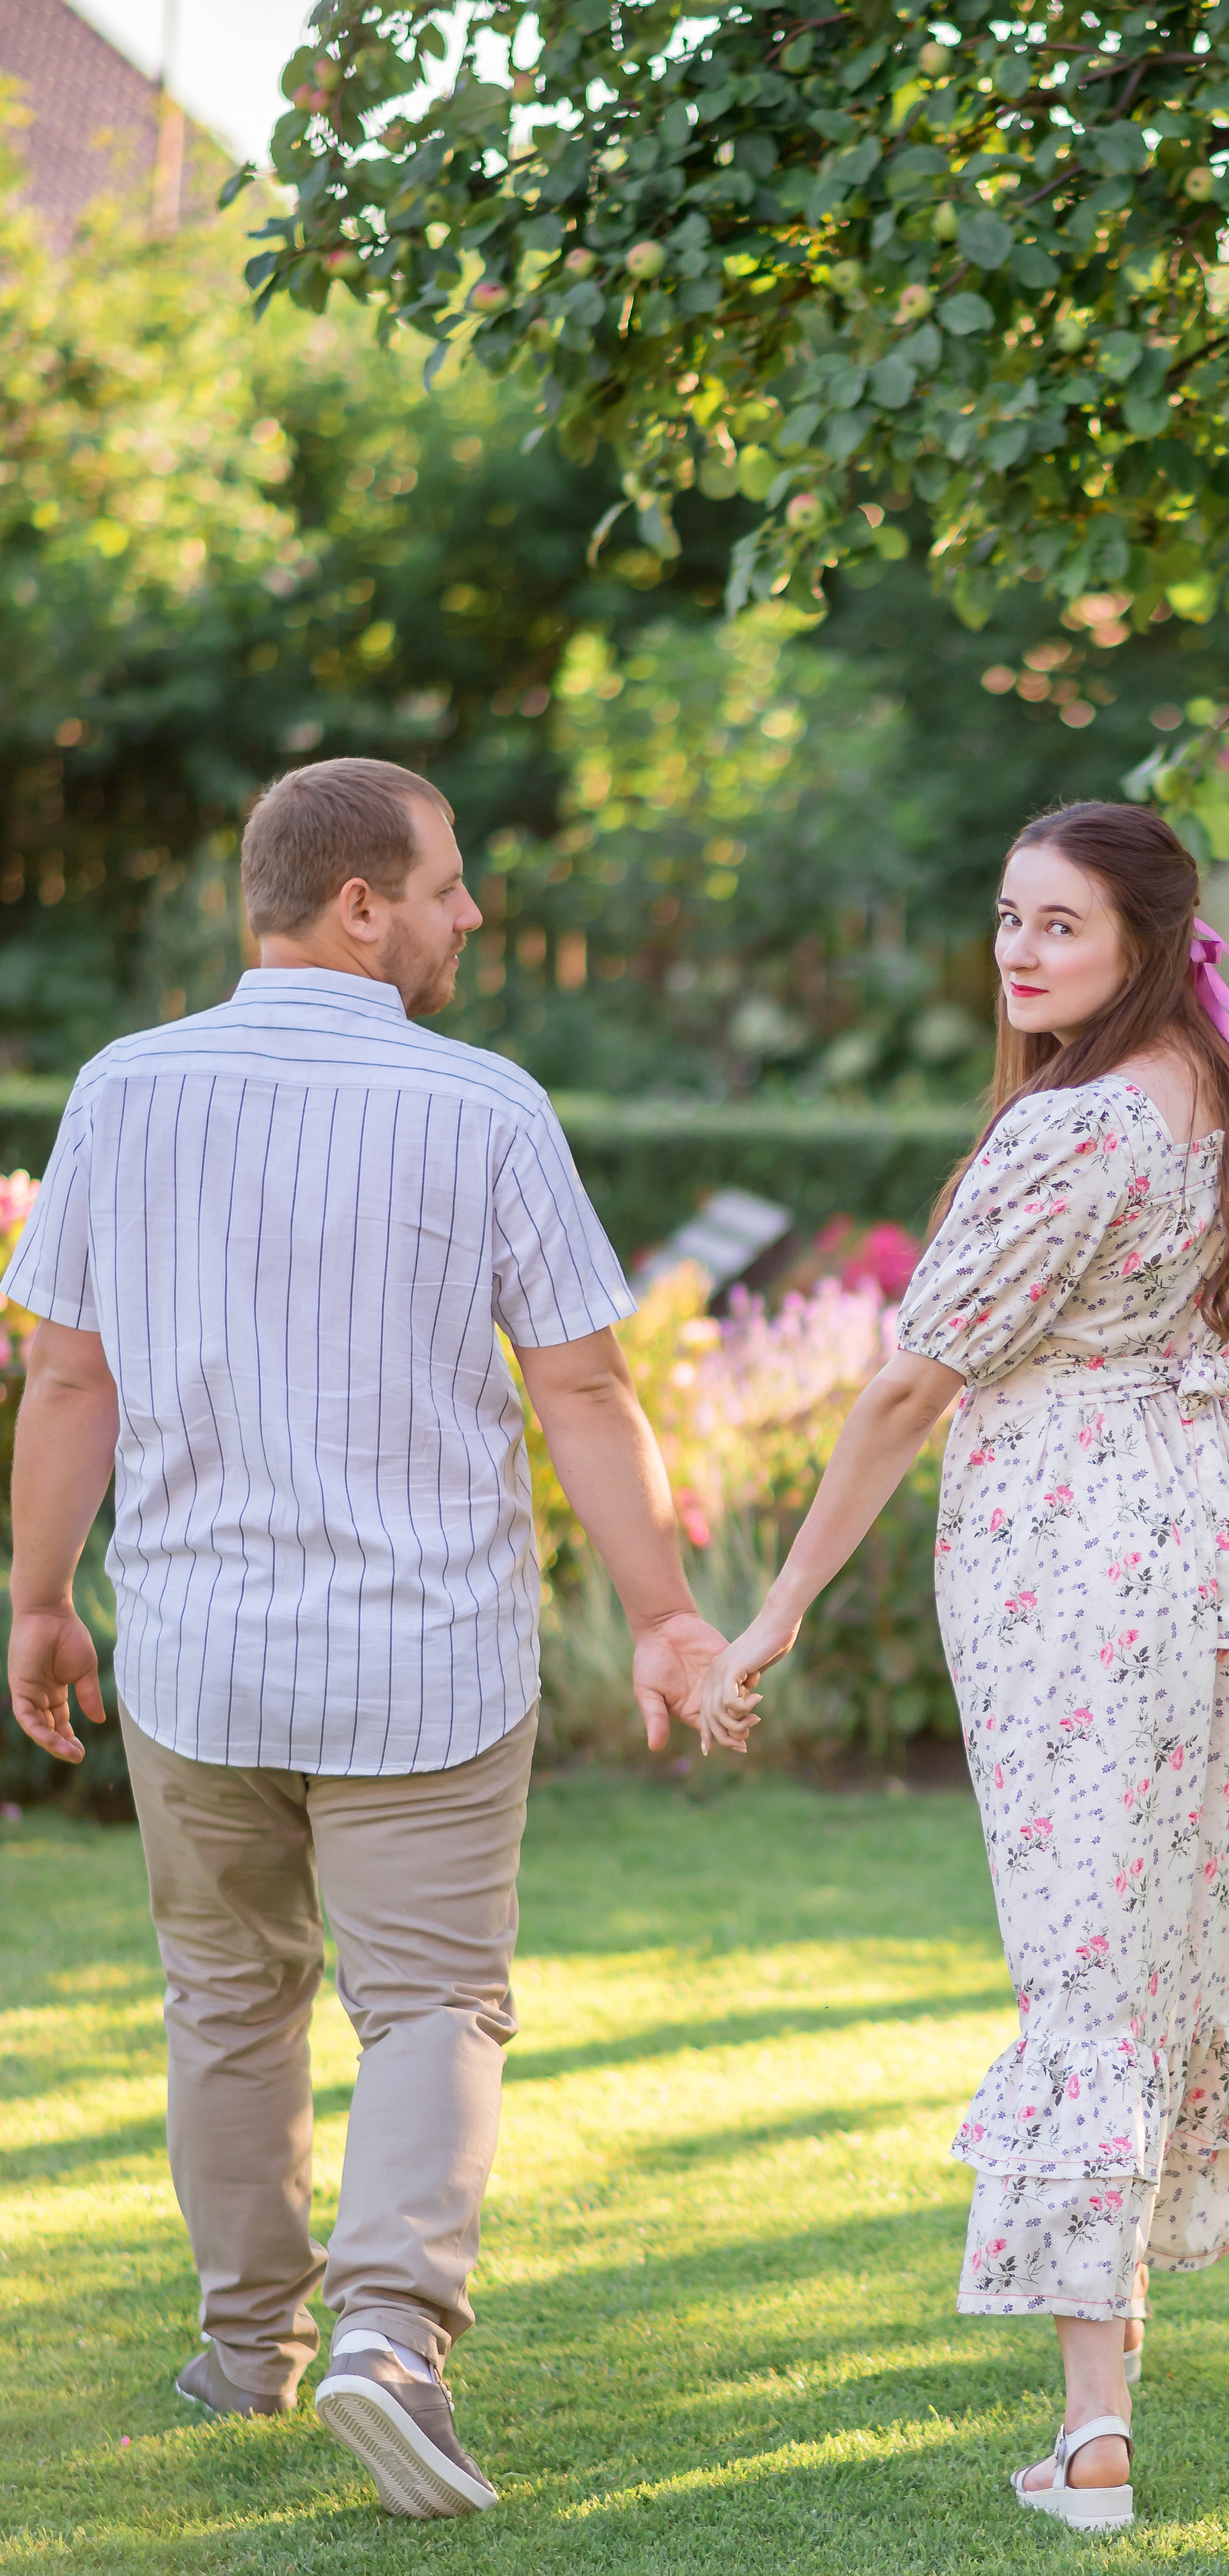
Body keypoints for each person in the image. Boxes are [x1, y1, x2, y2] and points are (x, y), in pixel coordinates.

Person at [702, 802, 1229, 2533]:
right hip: (1227, 1546)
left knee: (1091, 1969)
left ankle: (1095, 2432)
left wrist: (780, 1606)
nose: (1019, 952)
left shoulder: (1070, 1137)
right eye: (1006, 920)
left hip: (1078, 1567)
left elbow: (911, 1386)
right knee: (1145, 1941)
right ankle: (1100, 2392)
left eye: (1059, 926)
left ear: (1145, 944)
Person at [2, 757, 723, 2519]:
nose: (471, 913)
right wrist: (663, 1609)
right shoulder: (482, 1104)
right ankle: (388, 2342)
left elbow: (70, 1371)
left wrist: (37, 1593)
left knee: (228, 2003)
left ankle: (247, 2346)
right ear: (358, 904)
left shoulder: (122, 1090)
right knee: (433, 2006)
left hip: (199, 1655)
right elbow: (580, 1381)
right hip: (425, 1661)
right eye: (450, 883)